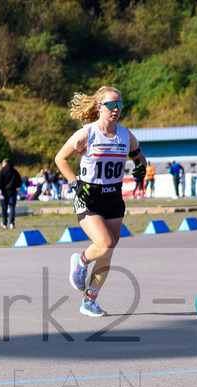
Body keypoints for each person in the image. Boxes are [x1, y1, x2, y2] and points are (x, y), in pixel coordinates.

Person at [55, 86, 147, 318]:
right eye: (111, 105)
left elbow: (139, 157)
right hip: (89, 196)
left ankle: (89, 301)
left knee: (108, 251)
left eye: (120, 105)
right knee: (104, 244)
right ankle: (80, 260)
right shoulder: (86, 134)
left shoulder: (126, 135)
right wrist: (75, 183)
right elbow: (60, 158)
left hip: (114, 197)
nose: (116, 109)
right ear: (99, 107)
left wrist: (141, 167)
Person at [0, 158, 22, 229]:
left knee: (4, 207)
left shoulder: (2, 171)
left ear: (5, 163)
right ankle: (11, 223)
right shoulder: (15, 171)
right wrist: (16, 186)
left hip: (4, 191)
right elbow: (19, 181)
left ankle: (4, 222)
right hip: (13, 191)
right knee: (12, 207)